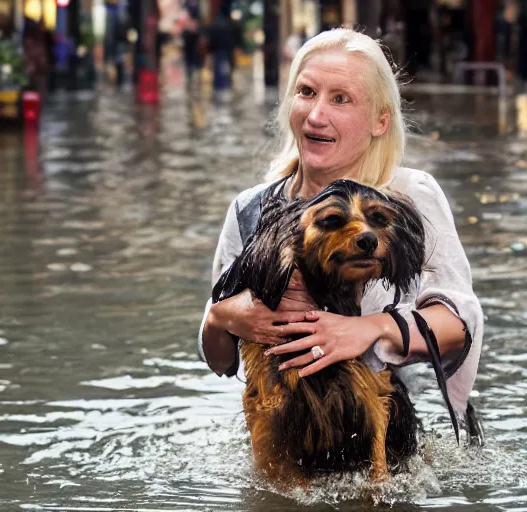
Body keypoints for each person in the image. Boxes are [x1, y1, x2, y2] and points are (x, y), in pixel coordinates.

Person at [198, 29, 483, 437]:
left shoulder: (408, 197)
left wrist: (369, 329)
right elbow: (220, 362)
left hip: (397, 439)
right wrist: (220, 317)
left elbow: (460, 324)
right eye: (307, 92)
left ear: (380, 120)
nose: (316, 115)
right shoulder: (251, 208)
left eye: (340, 99)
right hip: (286, 442)